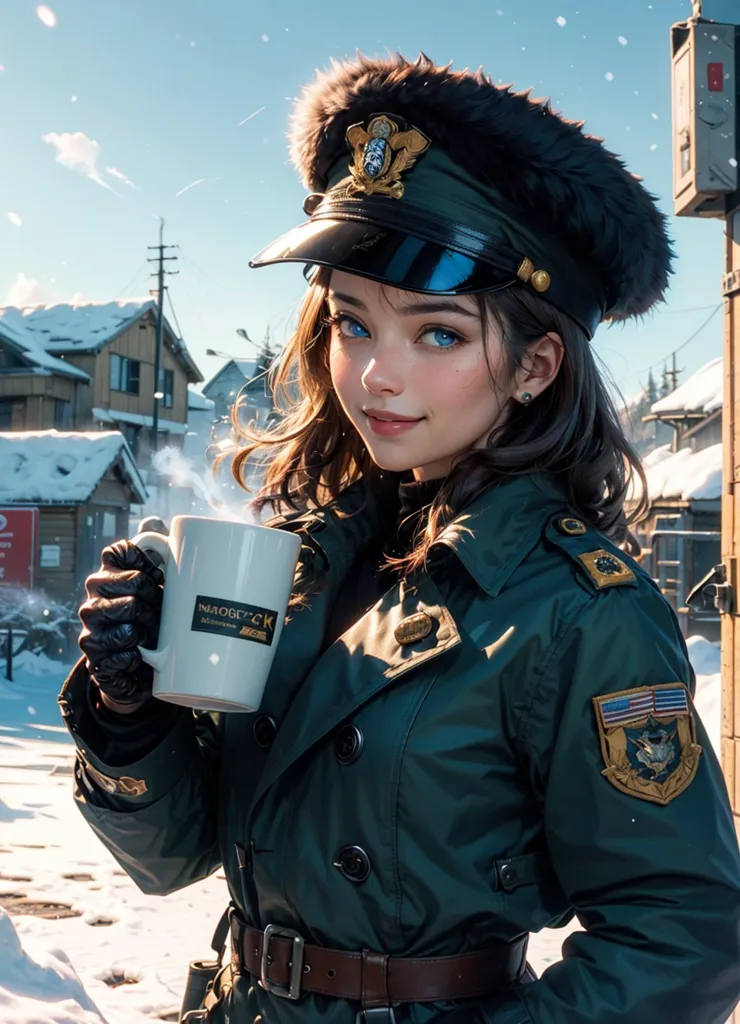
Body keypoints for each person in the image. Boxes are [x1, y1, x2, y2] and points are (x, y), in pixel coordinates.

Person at [58, 53, 740, 1024]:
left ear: (538, 363)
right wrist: (132, 714)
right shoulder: (301, 560)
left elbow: (682, 934)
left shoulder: (579, 609)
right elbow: (171, 858)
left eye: (437, 334)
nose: (376, 375)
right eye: (350, 321)